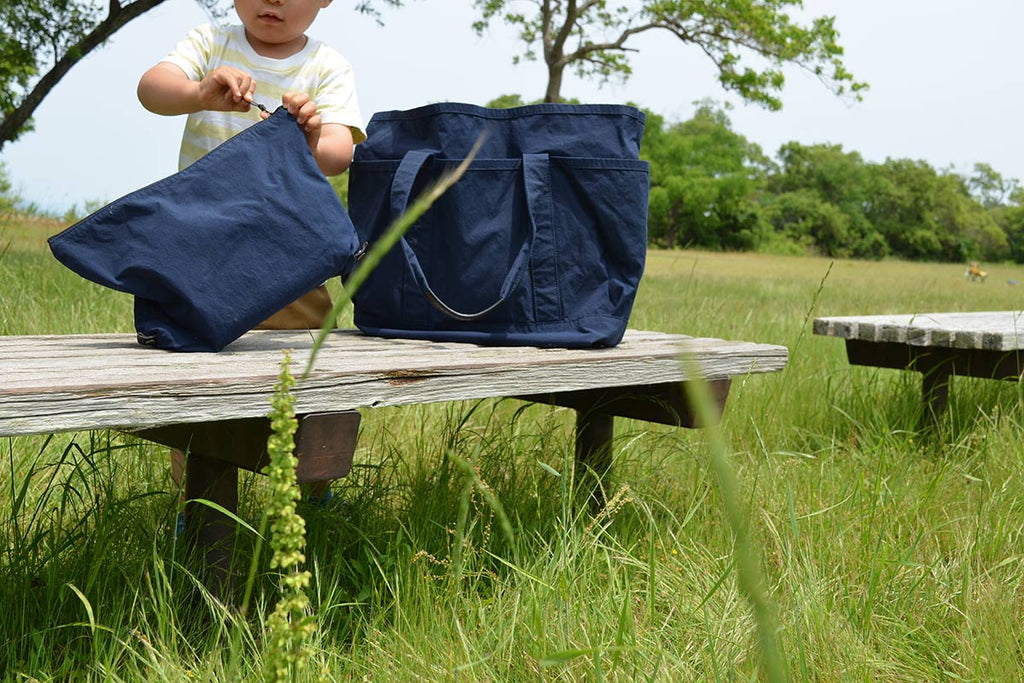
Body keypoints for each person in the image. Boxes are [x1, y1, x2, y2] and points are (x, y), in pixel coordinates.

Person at [137, 0, 365, 521]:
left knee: (313, 373)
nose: (274, 0)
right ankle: (195, 503)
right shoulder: (211, 43)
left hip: (289, 256)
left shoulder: (326, 65)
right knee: (192, 379)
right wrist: (199, 91)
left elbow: (340, 149)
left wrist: (310, 135)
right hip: (200, 252)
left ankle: (315, 492)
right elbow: (152, 88)